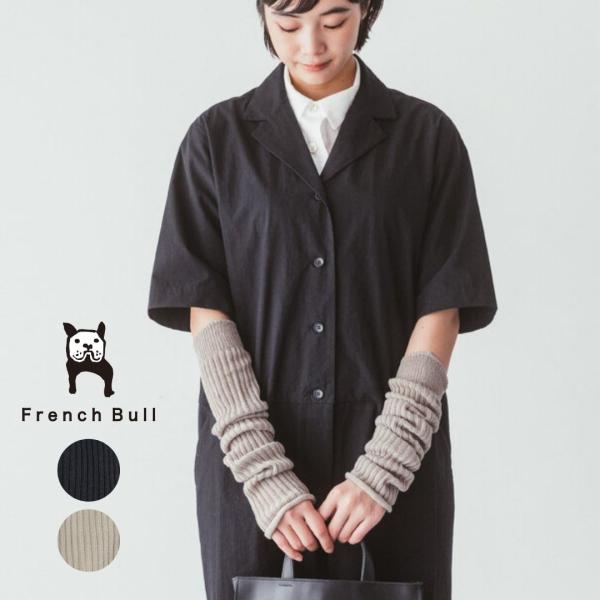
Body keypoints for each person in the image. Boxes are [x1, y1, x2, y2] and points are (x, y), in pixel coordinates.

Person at [147, 1, 498, 599]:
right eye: (288, 24)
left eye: (334, 21)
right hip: (248, 463)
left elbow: (442, 306)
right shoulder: (216, 140)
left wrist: (385, 465)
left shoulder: (427, 138)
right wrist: (261, 471)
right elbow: (206, 308)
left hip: (395, 456)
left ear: (365, 9)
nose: (311, 45)